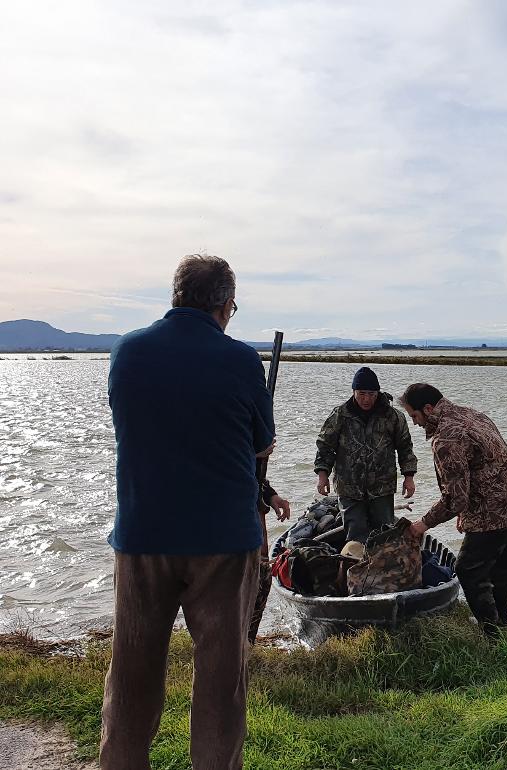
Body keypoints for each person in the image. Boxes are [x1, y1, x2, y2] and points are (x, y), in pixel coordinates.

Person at [102, 254, 272, 770]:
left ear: (176, 296)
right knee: (221, 681)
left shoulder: (127, 352)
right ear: (224, 304)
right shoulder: (243, 361)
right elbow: (261, 443)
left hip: (143, 535)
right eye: (233, 307)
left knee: (132, 674)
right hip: (223, 540)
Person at [399, 384, 507, 639]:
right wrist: (464, 515)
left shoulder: (447, 437)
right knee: (501, 568)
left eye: (414, 416)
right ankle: (501, 628)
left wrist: (422, 524)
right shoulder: (472, 414)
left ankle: (491, 634)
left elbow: (455, 498)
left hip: (494, 512)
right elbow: (482, 470)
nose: (415, 423)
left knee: (468, 569)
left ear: (428, 409)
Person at [314, 367, 418, 557]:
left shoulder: (393, 416)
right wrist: (322, 476)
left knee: (385, 535)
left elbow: (405, 448)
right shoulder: (340, 415)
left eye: (371, 394)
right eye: (361, 394)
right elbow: (325, 447)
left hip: (382, 487)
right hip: (349, 487)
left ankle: (384, 576)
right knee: (355, 536)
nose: (366, 399)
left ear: (378, 393)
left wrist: (408, 477)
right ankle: (357, 576)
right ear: (354, 392)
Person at [248, 467, 291, 644]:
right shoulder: (232, 445)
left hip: (254, 536)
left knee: (262, 580)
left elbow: (256, 479)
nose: (272, 443)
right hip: (233, 538)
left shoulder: (251, 453)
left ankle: (247, 645)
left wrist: (270, 496)